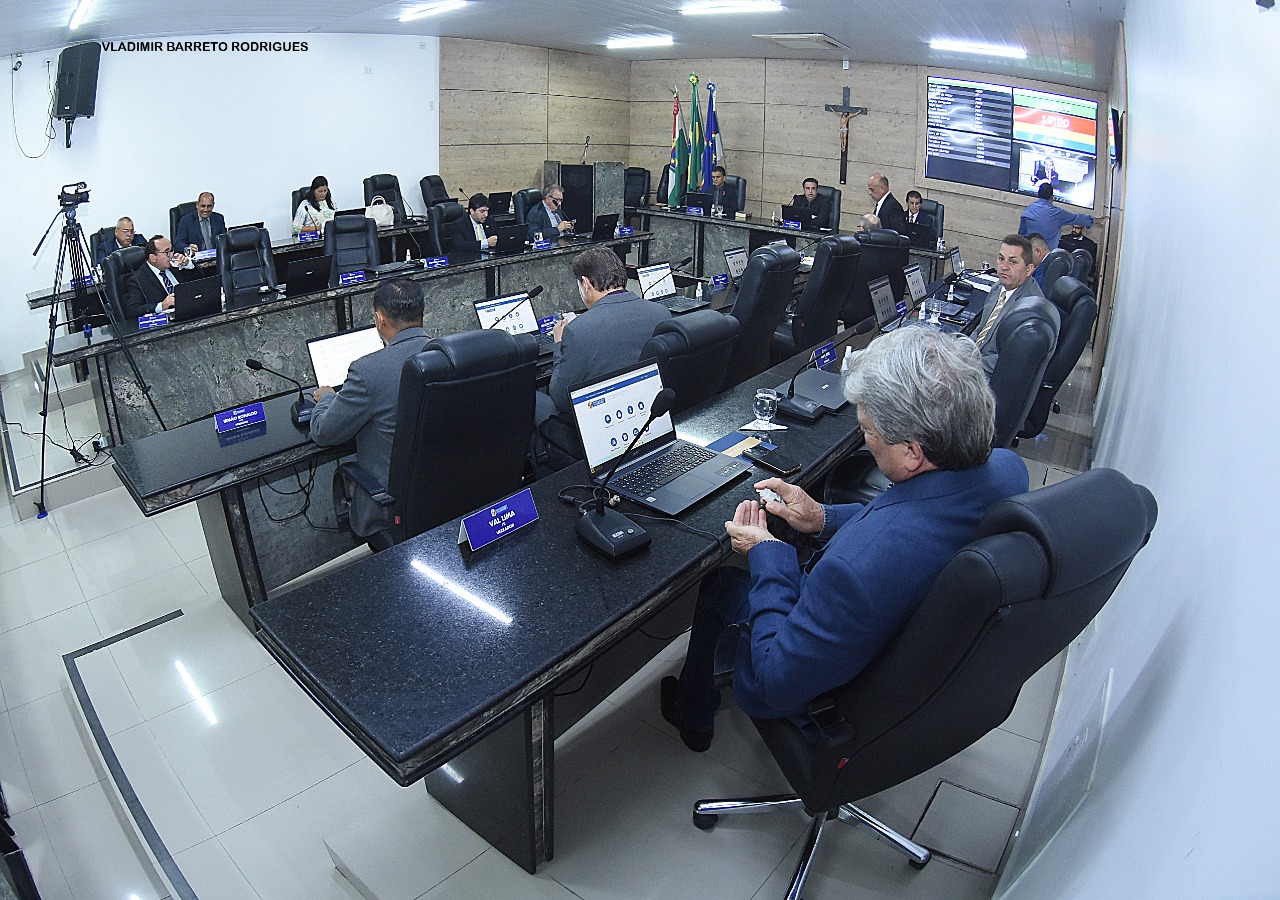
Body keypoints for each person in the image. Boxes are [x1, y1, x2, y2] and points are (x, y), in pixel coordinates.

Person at [660, 326, 1029, 751]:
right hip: (910, 634)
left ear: (912, 451)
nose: (866, 443)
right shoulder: (1005, 469)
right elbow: (915, 512)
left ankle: (694, 718)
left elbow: (769, 686)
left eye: (869, 432)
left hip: (841, 693)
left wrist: (767, 553)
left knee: (721, 586)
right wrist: (821, 517)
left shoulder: (852, 573)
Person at [309, 279, 432, 540]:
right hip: (445, 491)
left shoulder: (367, 371)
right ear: (422, 313)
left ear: (379, 319)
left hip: (393, 506)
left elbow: (323, 432)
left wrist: (327, 398)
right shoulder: (446, 352)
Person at [538, 246, 671, 420]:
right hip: (650, 411)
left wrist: (559, 344)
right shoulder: (661, 313)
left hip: (599, 421)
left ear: (586, 284)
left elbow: (560, 397)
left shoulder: (578, 330)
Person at [972, 234, 1057, 376]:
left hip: (987, 378)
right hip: (974, 362)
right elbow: (980, 331)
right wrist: (958, 352)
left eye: (1013, 262)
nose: (1004, 267)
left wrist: (967, 365)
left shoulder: (1029, 308)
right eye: (1001, 259)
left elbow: (1008, 360)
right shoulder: (998, 288)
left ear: (1029, 269)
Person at [122, 236, 195, 319]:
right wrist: (161, 306)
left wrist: (188, 265)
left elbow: (200, 283)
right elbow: (133, 310)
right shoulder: (137, 280)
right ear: (153, 258)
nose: (171, 255)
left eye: (171, 250)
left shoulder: (176, 266)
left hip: (191, 312)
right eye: (167, 252)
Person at [1018, 182, 1102, 251]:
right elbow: (1077, 218)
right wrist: (1096, 220)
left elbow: (1021, 234)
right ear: (1052, 197)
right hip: (1046, 257)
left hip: (1029, 254)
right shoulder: (1057, 213)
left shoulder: (1028, 210)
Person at [1058, 224, 1099, 289]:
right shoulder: (1064, 240)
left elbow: (1091, 264)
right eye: (1073, 227)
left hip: (1079, 275)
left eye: (1077, 228)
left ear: (1082, 229)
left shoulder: (1089, 244)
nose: (1074, 230)